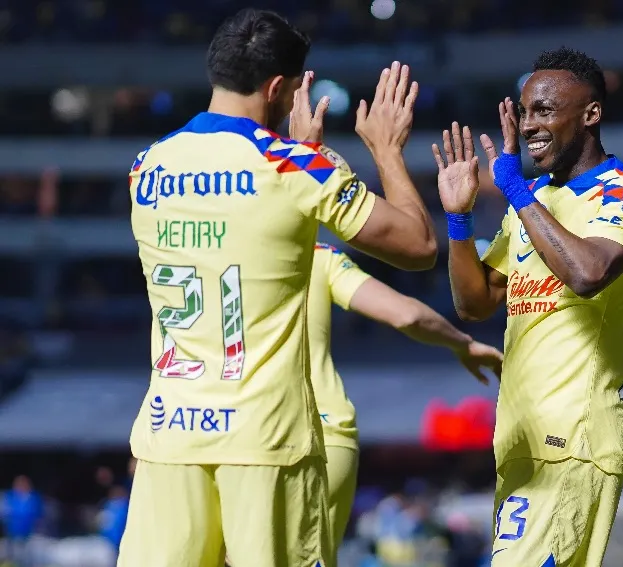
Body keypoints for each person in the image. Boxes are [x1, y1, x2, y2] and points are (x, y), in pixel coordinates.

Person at [119, 8, 437, 567]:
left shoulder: (148, 167)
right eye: (292, 91)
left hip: (169, 436)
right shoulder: (292, 167)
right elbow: (418, 246)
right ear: (276, 89)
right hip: (265, 441)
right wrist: (386, 150)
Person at [432, 47, 623, 567]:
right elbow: (474, 302)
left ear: (591, 113)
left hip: (573, 435)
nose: (528, 123)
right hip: (520, 437)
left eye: (544, 109)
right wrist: (459, 220)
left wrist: (514, 189)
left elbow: (588, 273)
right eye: (524, 110)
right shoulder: (532, 199)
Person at [308, 242, 503, 555]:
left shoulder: (216, 251)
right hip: (321, 433)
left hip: (231, 429)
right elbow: (408, 315)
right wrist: (463, 344)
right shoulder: (318, 255)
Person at [1, 475, 43, 567]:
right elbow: (4, 513)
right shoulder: (9, 497)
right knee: (12, 555)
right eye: (19, 484)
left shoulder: (33, 497)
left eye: (24, 484)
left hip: (28, 532)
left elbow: (38, 513)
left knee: (26, 556)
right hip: (12, 531)